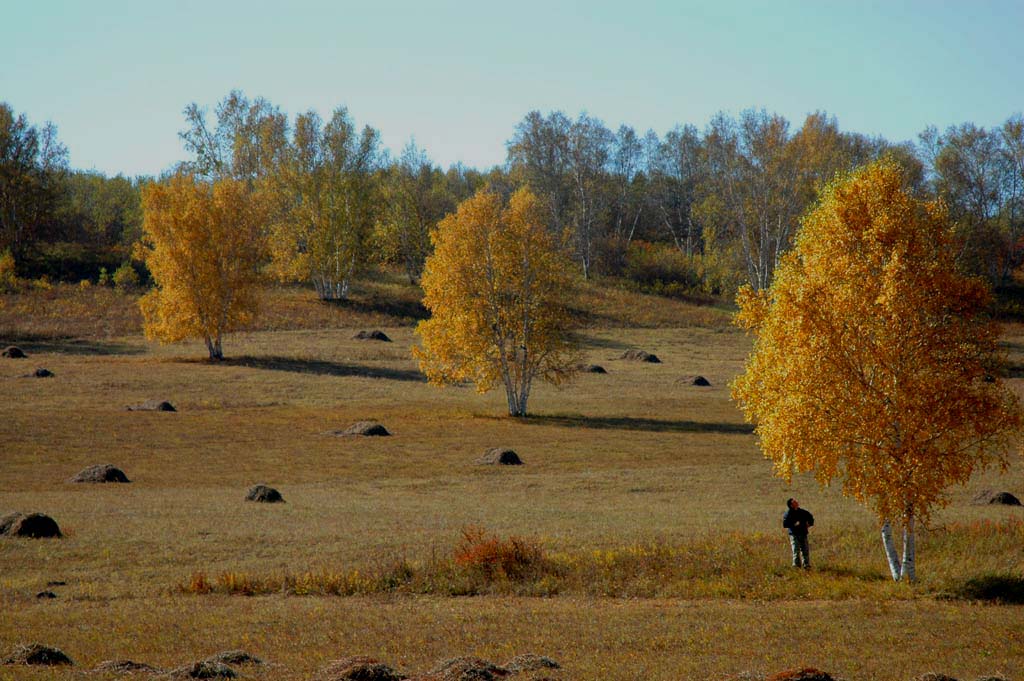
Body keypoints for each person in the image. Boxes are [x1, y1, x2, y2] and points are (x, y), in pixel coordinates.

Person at [782, 498, 814, 568]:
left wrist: (809, 524)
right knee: (796, 550)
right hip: (794, 534)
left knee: (805, 550)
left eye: (796, 501)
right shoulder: (788, 514)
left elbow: (810, 517)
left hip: (803, 533)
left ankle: (806, 565)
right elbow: (785, 524)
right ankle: (796, 566)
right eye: (794, 502)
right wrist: (793, 524)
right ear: (791, 505)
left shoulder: (802, 512)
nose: (797, 502)